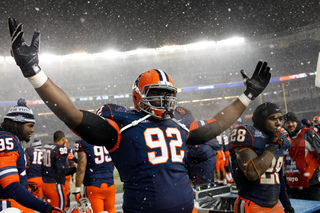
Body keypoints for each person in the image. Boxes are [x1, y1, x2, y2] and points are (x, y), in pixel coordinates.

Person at [8, 17, 271, 213]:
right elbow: (72, 115)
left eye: (168, 94)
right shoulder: (123, 125)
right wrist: (33, 71)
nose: (165, 100)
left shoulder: (179, 124)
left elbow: (216, 125)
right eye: (157, 93)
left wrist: (247, 95)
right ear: (138, 96)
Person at [0, 98, 63, 212]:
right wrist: (46, 209)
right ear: (16, 123)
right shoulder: (7, 139)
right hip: (8, 202)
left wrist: (24, 186)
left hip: (14, 199)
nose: (32, 130)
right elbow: (10, 186)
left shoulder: (11, 139)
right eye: (30, 125)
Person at [230, 102, 294, 213]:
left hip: (275, 204)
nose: (278, 123)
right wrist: (274, 145)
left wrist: (287, 205)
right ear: (262, 120)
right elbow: (252, 173)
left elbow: (277, 175)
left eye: (280, 118)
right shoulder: (248, 134)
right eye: (273, 118)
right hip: (252, 203)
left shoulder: (281, 140)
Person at [283, 112, 320, 201]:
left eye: (293, 121)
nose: (290, 124)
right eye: (288, 122)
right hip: (291, 186)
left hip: (311, 185)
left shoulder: (307, 134)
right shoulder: (282, 138)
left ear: (297, 122)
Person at [73, 139, 116, 213]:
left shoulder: (84, 143)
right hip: (110, 184)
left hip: (93, 185)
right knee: (111, 210)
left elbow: (81, 169)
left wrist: (77, 190)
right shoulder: (107, 138)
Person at [42, 131, 77, 211]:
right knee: (59, 210)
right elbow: (61, 171)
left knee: (49, 210)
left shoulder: (47, 147)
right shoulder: (61, 149)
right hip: (55, 185)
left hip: (45, 184)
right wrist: (75, 169)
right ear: (63, 138)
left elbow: (42, 167)